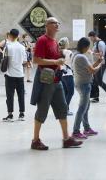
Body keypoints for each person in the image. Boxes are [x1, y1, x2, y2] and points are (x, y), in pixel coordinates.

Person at [29, 17, 82, 150]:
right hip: (46, 81)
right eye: (54, 23)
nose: (57, 24)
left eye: (58, 23)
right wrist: (55, 62)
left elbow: (54, 57)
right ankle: (35, 140)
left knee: (62, 108)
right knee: (42, 110)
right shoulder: (42, 40)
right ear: (47, 26)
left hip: (56, 80)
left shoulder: (54, 41)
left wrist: (60, 59)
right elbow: (36, 60)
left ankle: (66, 139)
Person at [71, 37, 103, 140]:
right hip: (84, 84)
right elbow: (93, 71)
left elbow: (89, 68)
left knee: (86, 107)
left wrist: (98, 61)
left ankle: (87, 128)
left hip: (80, 83)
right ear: (85, 47)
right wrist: (100, 65)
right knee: (82, 108)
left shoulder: (76, 55)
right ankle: (76, 131)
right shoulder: (81, 57)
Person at [0, 29, 28, 122]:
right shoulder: (22, 47)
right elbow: (25, 61)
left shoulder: (7, 47)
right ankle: (22, 114)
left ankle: (10, 115)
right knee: (21, 95)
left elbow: (4, 60)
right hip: (20, 74)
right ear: (18, 36)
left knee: (10, 95)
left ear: (10, 36)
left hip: (10, 75)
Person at [89, 31, 106, 103]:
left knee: (99, 81)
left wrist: (92, 53)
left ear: (94, 36)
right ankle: (95, 97)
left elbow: (101, 55)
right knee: (94, 81)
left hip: (101, 64)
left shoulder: (101, 43)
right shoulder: (96, 43)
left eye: (91, 38)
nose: (90, 39)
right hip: (97, 64)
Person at [57, 38, 75, 116]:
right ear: (66, 44)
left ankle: (63, 109)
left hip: (62, 74)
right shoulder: (68, 52)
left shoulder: (58, 51)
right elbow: (69, 62)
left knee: (65, 92)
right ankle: (65, 109)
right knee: (70, 92)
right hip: (68, 73)